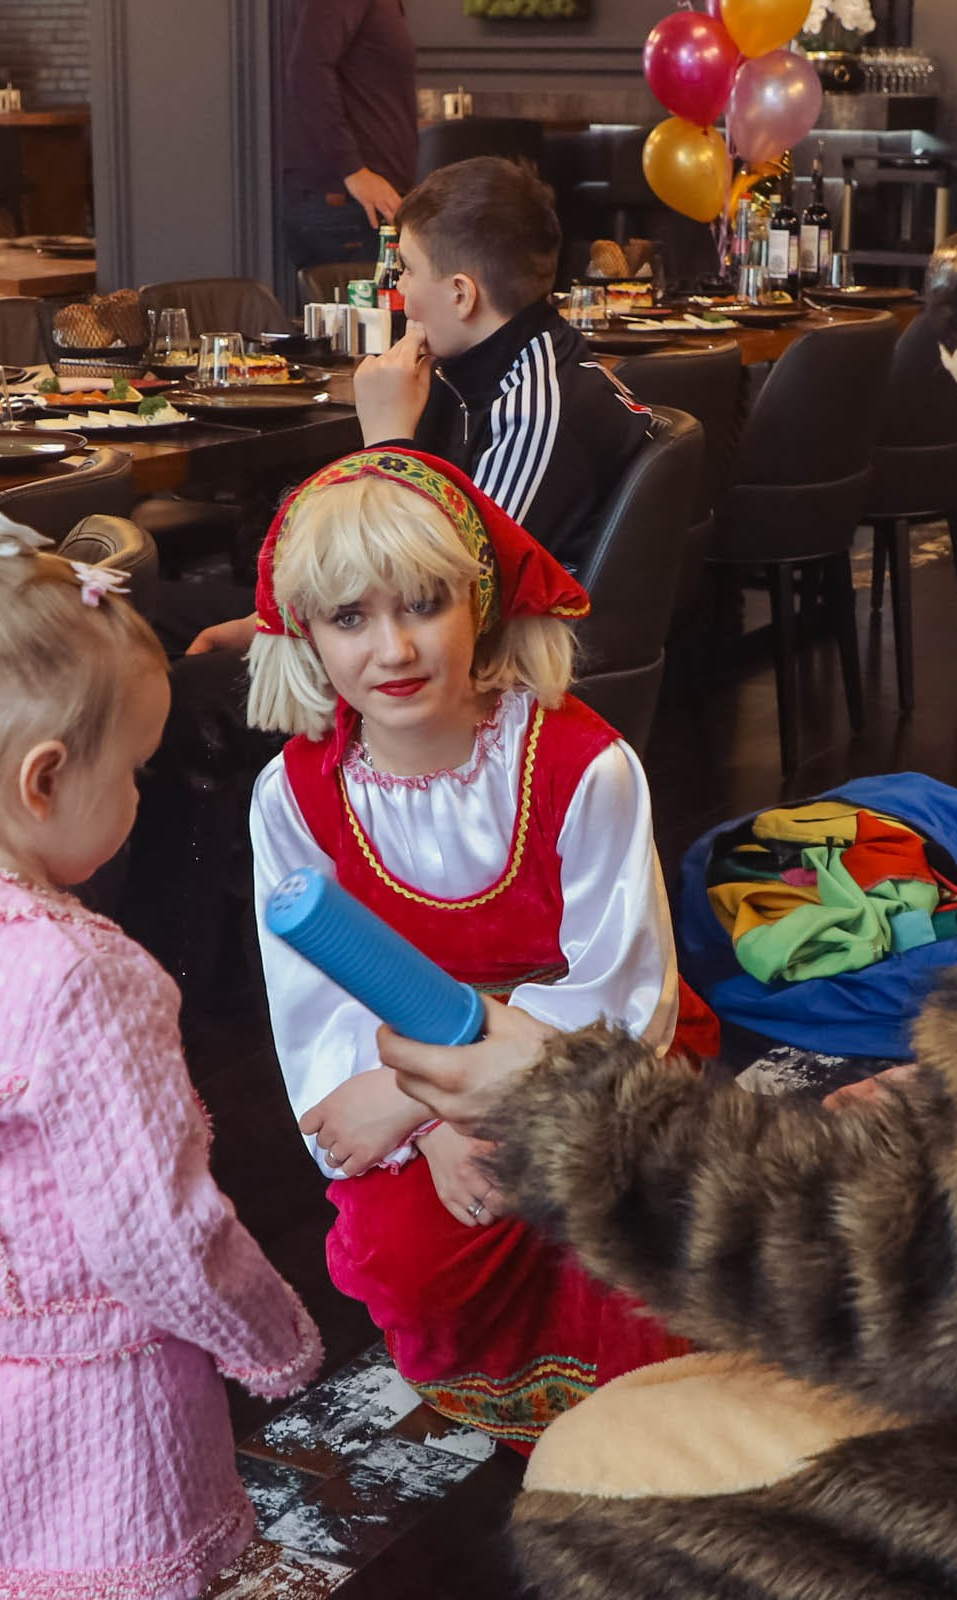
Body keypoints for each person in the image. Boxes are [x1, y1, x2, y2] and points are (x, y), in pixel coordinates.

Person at [0, 507, 320, 1600]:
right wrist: (272, 1337)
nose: (142, 795)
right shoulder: (81, 974)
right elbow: (158, 1234)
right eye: (134, 770)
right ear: (42, 780)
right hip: (100, 1403)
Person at [244, 447, 711, 1446]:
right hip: (405, 1081)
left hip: (584, 1066)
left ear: (481, 603)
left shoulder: (584, 763)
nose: (394, 649)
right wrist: (431, 1123)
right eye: (350, 619)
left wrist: (444, 1092)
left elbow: (628, 993)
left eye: (423, 604)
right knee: (413, 1252)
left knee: (626, 1229)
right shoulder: (292, 795)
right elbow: (314, 1005)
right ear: (307, 637)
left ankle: (628, 1424)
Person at [156, 156, 651, 664]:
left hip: (450, 679)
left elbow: (438, 597)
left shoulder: (531, 409)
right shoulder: (467, 371)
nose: (403, 296)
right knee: (139, 613)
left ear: (461, 294)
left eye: (408, 270)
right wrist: (269, 621)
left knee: (176, 693)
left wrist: (386, 443)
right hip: (389, 632)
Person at [275, 0, 416, 280]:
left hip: (361, 207)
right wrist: (353, 170)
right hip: (348, 207)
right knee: (361, 323)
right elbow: (308, 69)